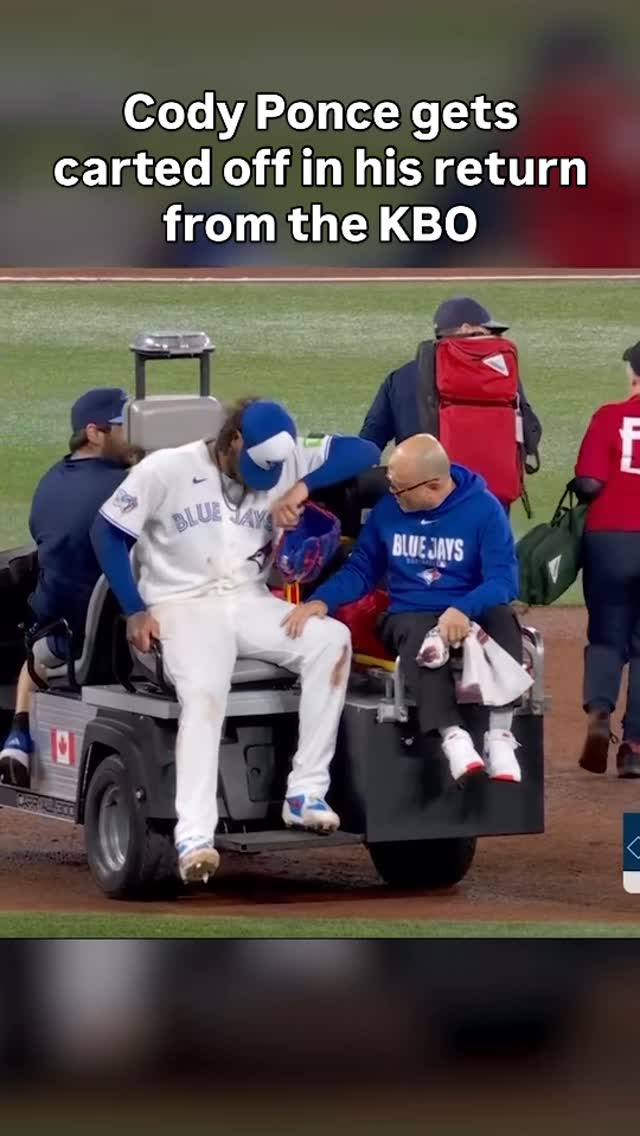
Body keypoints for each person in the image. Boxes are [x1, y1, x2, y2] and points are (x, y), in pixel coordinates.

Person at [91, 396, 380, 885]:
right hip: (181, 606)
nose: (263, 481)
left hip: (250, 602)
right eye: (254, 469)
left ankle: (305, 792)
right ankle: (194, 838)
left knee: (331, 640)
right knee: (205, 694)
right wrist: (133, 608)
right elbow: (106, 532)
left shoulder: (286, 455)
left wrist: (303, 486)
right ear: (234, 440)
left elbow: (365, 450)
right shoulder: (167, 468)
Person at [283, 434, 524, 783]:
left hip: (467, 608)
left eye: (399, 489)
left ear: (433, 485)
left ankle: (500, 735)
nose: (392, 495)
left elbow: (504, 580)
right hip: (411, 612)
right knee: (418, 634)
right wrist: (322, 599)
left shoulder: (484, 510)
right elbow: (361, 569)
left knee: (503, 617)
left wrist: (462, 609)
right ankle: (453, 736)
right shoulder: (388, 510)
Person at [0, 387, 136, 788]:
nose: (135, 434)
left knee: (35, 658)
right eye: (124, 426)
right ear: (94, 433)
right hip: (114, 647)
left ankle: (17, 736)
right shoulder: (126, 487)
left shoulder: (49, 483)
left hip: (54, 637)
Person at [359, 295, 542, 462]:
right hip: (492, 485)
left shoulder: (400, 379)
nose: (497, 339)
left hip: (423, 484)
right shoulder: (499, 376)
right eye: (490, 332)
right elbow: (531, 434)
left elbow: (369, 442)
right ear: (467, 329)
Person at [574, 342, 640, 778]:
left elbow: (589, 482)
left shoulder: (609, 416)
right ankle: (634, 748)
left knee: (606, 634)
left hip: (611, 539)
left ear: (634, 374)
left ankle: (599, 713)